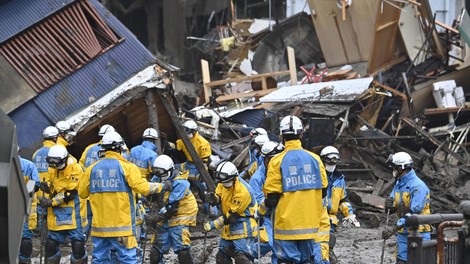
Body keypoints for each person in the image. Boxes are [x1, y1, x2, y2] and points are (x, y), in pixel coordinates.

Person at [78, 131, 170, 263]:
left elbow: (82, 193)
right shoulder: (127, 168)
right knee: (127, 259)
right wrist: (162, 186)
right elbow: (144, 188)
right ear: (120, 148)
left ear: (103, 148)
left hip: (99, 228)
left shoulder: (92, 169)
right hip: (122, 228)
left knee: (100, 260)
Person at [261, 115, 328, 263]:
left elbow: (272, 198)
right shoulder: (315, 159)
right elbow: (324, 191)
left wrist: (260, 210)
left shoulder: (276, 161)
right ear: (301, 134)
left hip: (286, 227)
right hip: (310, 225)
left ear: (281, 136)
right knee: (306, 260)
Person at [38, 145, 88, 263]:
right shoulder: (53, 169)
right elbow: (54, 186)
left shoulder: (76, 169)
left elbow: (70, 193)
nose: (54, 166)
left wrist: (51, 202)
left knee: (77, 246)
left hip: (74, 214)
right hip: (56, 215)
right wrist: (47, 187)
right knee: (50, 245)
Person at [203, 161, 258, 263]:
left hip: (243, 228)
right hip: (229, 229)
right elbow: (220, 196)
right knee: (222, 257)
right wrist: (214, 198)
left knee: (242, 258)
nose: (224, 185)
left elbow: (231, 217)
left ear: (233, 177)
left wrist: (212, 225)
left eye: (226, 182)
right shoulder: (222, 183)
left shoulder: (242, 191)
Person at [382, 152, 431, 264]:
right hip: (403, 233)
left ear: (400, 169)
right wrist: (388, 206)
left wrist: (393, 228)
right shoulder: (399, 184)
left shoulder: (418, 186)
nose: (392, 170)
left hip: (419, 232)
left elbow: (413, 214)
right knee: (401, 261)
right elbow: (393, 206)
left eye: (394, 167)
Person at [149, 155, 198, 264]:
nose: (159, 175)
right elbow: (150, 192)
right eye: (156, 171)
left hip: (182, 213)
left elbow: (172, 209)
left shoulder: (180, 183)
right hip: (166, 212)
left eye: (161, 172)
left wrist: (155, 218)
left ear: (170, 170)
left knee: (182, 250)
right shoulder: (158, 177)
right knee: (156, 251)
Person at [320, 146, 360, 263]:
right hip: (317, 217)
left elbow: (343, 199)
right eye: (329, 160)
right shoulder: (317, 176)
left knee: (328, 243)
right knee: (321, 246)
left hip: (331, 219)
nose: (332, 163)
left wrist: (350, 214)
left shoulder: (339, 179)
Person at [249, 141, 284, 263]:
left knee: (280, 249)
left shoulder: (282, 173)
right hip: (266, 217)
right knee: (268, 242)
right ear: (267, 159)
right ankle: (248, 254)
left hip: (282, 216)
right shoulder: (257, 179)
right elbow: (258, 202)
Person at [175, 119, 217, 217]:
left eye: (188, 131)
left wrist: (203, 174)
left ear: (194, 131)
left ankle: (211, 211)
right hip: (188, 164)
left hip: (199, 166)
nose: (186, 133)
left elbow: (206, 160)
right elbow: (178, 147)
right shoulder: (184, 140)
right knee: (175, 172)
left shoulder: (203, 142)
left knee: (203, 189)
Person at [32, 126, 59, 236]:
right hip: (50, 189)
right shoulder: (56, 152)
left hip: (38, 190)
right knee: (51, 214)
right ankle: (50, 234)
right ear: (55, 138)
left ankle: (40, 232)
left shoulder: (36, 153)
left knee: (40, 213)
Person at [18, 151, 40, 264]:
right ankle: (24, 261)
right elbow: (36, 184)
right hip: (25, 208)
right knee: (25, 238)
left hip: (12, 208)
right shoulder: (28, 165)